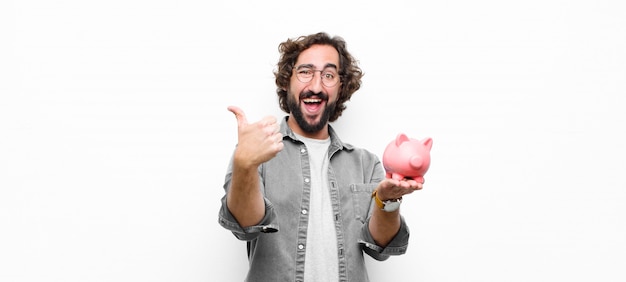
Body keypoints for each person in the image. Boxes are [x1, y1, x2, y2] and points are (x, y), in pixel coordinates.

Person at [218, 32, 423, 282]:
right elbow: (245, 226)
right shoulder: (255, 152)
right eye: (305, 71)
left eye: (328, 75)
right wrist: (244, 164)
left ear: (341, 87)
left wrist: (387, 201)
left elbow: (379, 246)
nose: (316, 86)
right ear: (287, 80)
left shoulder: (365, 163)